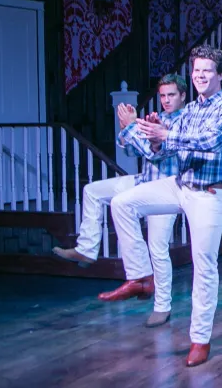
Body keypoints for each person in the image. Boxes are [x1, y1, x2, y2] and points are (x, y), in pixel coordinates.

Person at [96, 44, 222, 368]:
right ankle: (141, 277)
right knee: (122, 203)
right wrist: (146, 133)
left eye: (207, 71)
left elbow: (211, 142)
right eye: (196, 70)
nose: (200, 76)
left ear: (220, 75)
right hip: (180, 185)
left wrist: (166, 134)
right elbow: (160, 153)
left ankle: (200, 339)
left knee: (204, 266)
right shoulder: (189, 110)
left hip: (208, 193)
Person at [52, 73, 186, 328]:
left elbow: (156, 154)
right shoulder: (158, 118)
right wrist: (127, 129)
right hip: (144, 181)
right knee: (93, 191)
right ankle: (87, 249)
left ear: (182, 96)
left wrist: (133, 127)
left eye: (171, 95)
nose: (166, 100)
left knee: (157, 248)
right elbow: (132, 150)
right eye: (163, 96)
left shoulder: (183, 123)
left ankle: (162, 306)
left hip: (165, 190)